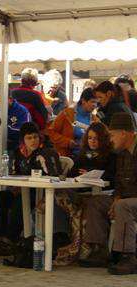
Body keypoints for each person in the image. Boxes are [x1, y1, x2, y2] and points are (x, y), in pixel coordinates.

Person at [50, 122, 116, 265]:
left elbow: (112, 177)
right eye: (90, 138)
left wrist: (93, 175)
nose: (92, 141)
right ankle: (59, 237)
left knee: (93, 204)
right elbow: (73, 175)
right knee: (57, 194)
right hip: (82, 192)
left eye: (96, 139)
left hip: (102, 194)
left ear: (103, 140)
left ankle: (96, 249)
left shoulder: (111, 156)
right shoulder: (83, 155)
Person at [79, 113, 137, 274]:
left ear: (124, 133)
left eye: (112, 134)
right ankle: (100, 249)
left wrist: (121, 200)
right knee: (96, 201)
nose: (110, 139)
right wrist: (117, 197)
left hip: (131, 201)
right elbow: (119, 181)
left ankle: (128, 256)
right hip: (125, 198)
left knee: (124, 206)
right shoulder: (122, 153)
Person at [46, 87, 97, 158]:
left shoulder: (95, 119)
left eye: (96, 102)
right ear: (83, 101)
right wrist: (67, 142)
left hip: (86, 158)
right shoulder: (67, 114)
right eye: (92, 102)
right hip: (67, 157)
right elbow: (51, 132)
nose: (95, 105)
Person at [0, 85, 31, 153]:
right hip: (0, 145)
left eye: (1, 103)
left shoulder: (22, 111)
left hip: (18, 148)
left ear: (10, 99)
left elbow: (24, 131)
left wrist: (1, 128)